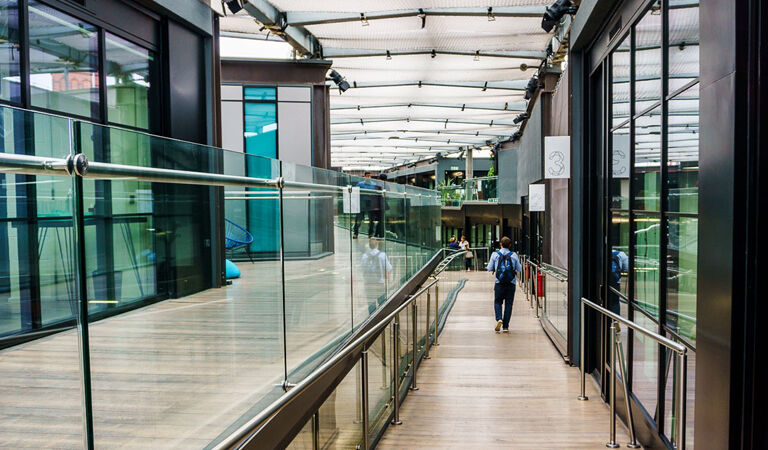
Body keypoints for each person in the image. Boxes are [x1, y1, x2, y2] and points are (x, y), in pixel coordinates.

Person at [486, 236, 522, 332]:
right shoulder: (514, 255)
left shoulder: (495, 254)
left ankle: (499, 318)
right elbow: (519, 269)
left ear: (500, 244)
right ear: (510, 245)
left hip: (499, 283)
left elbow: (489, 268)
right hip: (511, 283)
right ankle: (505, 326)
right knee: (508, 304)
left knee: (498, 301)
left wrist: (495, 267)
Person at [360, 238, 392, 313]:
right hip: (379, 283)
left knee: (371, 304)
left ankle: (372, 319)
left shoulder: (364, 256)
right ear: (377, 245)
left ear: (369, 246)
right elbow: (389, 268)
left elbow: (362, 269)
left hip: (368, 283)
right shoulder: (382, 255)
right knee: (382, 302)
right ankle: (382, 318)